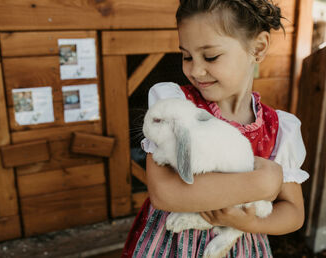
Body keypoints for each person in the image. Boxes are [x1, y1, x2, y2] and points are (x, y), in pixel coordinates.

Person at [122, 0, 309, 257]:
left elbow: (294, 212)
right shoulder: (175, 105)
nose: (196, 70)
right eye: (187, 56)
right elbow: (165, 193)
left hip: (238, 245)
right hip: (169, 245)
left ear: (258, 48)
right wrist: (262, 182)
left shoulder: (279, 129)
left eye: (210, 56)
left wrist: (250, 223)